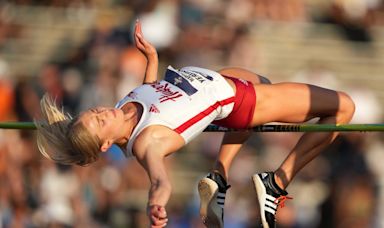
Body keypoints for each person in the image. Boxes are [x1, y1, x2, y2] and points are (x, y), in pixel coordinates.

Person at [35, 20, 355, 228]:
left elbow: (152, 97)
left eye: (95, 112)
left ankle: (219, 175)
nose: (103, 112)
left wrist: (152, 60)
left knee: (264, 79)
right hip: (241, 102)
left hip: (224, 81)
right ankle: (278, 182)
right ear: (106, 144)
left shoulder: (123, 109)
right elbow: (160, 181)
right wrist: (156, 204)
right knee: (343, 108)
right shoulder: (148, 144)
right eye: (99, 122)